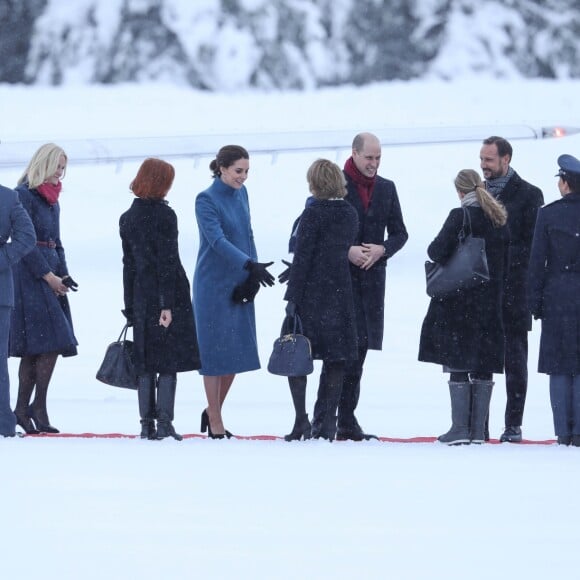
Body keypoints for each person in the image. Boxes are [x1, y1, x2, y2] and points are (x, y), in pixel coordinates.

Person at [312, 132, 408, 441]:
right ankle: (322, 420)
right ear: (354, 153)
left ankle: (347, 420)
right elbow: (316, 233)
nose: (374, 163)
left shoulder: (387, 188)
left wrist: (383, 249)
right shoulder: (334, 185)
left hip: (371, 283)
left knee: (359, 354)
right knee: (337, 354)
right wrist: (346, 250)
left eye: (378, 158)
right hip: (339, 283)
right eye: (369, 157)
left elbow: (400, 233)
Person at [418, 169, 509, 445]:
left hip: (460, 300)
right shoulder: (499, 219)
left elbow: (436, 251)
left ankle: (459, 428)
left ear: (460, 192)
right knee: (483, 362)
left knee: (458, 359)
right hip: (489, 301)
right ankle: (478, 430)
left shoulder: (460, 216)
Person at [193, 145, 275, 439]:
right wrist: (248, 263)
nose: (243, 177)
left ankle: (212, 408)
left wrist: (252, 272)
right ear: (222, 168)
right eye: (239, 171)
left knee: (237, 350)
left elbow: (247, 232)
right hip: (213, 283)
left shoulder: (242, 193)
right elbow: (216, 240)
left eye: (247, 171)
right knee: (214, 352)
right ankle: (215, 418)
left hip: (241, 277)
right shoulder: (205, 199)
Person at [120, 158, 200, 441]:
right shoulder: (165, 216)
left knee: (145, 362)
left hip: (140, 295)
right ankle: (165, 423)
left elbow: (128, 264)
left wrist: (129, 304)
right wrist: (166, 303)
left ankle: (146, 424)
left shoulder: (127, 218)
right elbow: (167, 262)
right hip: (168, 294)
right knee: (167, 361)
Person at [283, 159, 359, 441]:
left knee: (296, 355)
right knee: (335, 359)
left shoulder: (313, 214)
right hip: (340, 291)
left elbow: (302, 258)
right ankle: (326, 422)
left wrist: (292, 297)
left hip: (312, 293)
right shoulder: (349, 213)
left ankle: (301, 419)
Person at [10, 143, 78, 434]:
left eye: (64, 168)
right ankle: (34, 407)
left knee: (38, 346)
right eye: (57, 167)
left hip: (51, 271)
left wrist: (63, 274)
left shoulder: (53, 200)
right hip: (29, 274)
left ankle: (24, 410)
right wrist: (48, 276)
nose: (60, 174)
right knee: (48, 342)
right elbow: (24, 241)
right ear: (44, 164)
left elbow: (57, 240)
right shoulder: (23, 196)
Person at [480, 136, 544, 442]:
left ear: (506, 160)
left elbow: (532, 246)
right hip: (483, 291)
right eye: (482, 159)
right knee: (481, 358)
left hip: (515, 289)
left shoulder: (530, 195)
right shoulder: (476, 193)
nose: (484, 165)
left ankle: (513, 424)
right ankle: (478, 423)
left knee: (515, 360)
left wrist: (498, 255)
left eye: (489, 160)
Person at [528, 154, 580, 446]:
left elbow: (537, 262)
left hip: (557, 294)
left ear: (565, 183)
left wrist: (535, 302)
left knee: (559, 366)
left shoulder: (548, 214)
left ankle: (563, 430)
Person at [0, 183, 36, 438]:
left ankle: (3, 424)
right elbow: (26, 238)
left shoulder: (8, 197)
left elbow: (27, 238)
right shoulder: (9, 197)